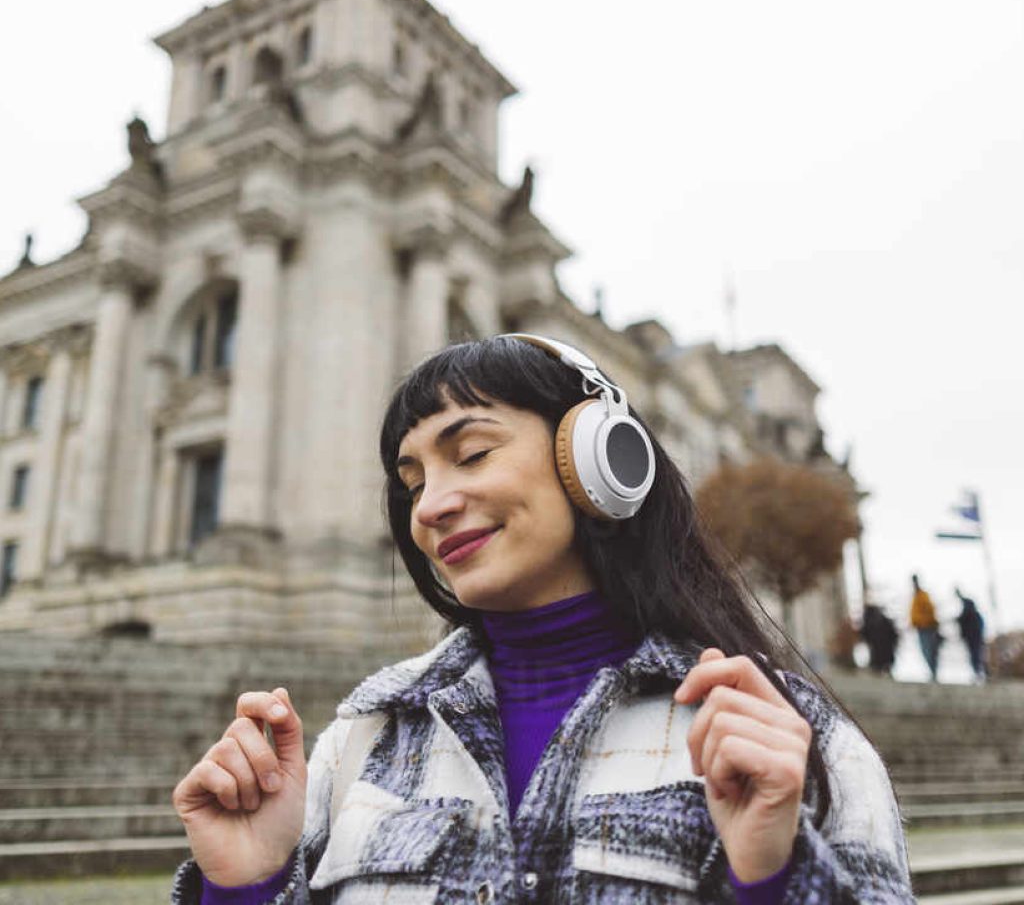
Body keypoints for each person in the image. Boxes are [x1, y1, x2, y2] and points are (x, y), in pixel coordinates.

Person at [171, 335, 912, 904]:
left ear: (597, 460)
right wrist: (246, 888)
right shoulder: (360, 741)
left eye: (472, 453)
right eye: (413, 482)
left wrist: (777, 879)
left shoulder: (788, 736)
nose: (430, 507)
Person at [909, 574, 941, 681]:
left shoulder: (923, 596)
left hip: (927, 628)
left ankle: (933, 673)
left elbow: (930, 610)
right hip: (921, 628)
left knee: (929, 650)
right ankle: (932, 673)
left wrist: (929, 622)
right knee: (926, 650)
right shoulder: (915, 596)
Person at [954, 587, 987, 682]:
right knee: (976, 655)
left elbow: (963, 618)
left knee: (976, 655)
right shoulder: (974, 614)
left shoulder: (970, 613)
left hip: (973, 637)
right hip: (972, 637)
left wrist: (958, 620)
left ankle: (980, 673)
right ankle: (979, 673)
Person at [860, 600, 899, 676]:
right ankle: (882, 671)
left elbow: (864, 633)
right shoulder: (881, 620)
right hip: (882, 648)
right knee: (882, 660)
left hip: (881, 648)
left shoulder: (872, 621)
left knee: (880, 660)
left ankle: (881, 671)